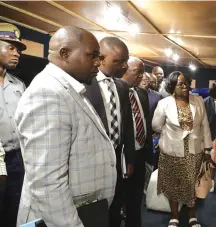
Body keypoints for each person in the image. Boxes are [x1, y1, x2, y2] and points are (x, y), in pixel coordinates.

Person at [15, 26, 117, 227]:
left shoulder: (70, 88)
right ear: (65, 53)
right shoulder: (47, 94)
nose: (98, 62)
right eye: (93, 55)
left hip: (83, 211)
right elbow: (47, 184)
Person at [83, 36, 135, 227]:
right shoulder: (84, 84)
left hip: (117, 159)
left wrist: (129, 158)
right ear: (102, 59)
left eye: (126, 61)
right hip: (91, 161)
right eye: (119, 61)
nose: (125, 67)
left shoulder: (122, 86)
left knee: (115, 206)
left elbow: (127, 125)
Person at [152, 71, 212, 227]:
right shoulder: (164, 103)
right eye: (180, 84)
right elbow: (156, 126)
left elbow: (205, 125)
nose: (185, 86)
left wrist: (207, 149)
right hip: (172, 151)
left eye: (186, 83)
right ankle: (175, 217)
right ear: (172, 87)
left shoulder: (198, 101)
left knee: (191, 183)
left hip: (194, 151)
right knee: (174, 184)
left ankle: (192, 216)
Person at [120, 57, 153, 227]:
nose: (141, 76)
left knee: (136, 199)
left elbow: (146, 122)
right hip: (123, 156)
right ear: (125, 69)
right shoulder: (117, 92)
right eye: (137, 72)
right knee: (119, 201)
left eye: (142, 71)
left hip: (140, 154)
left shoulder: (142, 93)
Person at [0, 22, 27, 227]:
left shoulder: (18, 85)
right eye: (10, 47)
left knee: (15, 210)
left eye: (17, 49)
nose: (16, 53)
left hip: (18, 159)